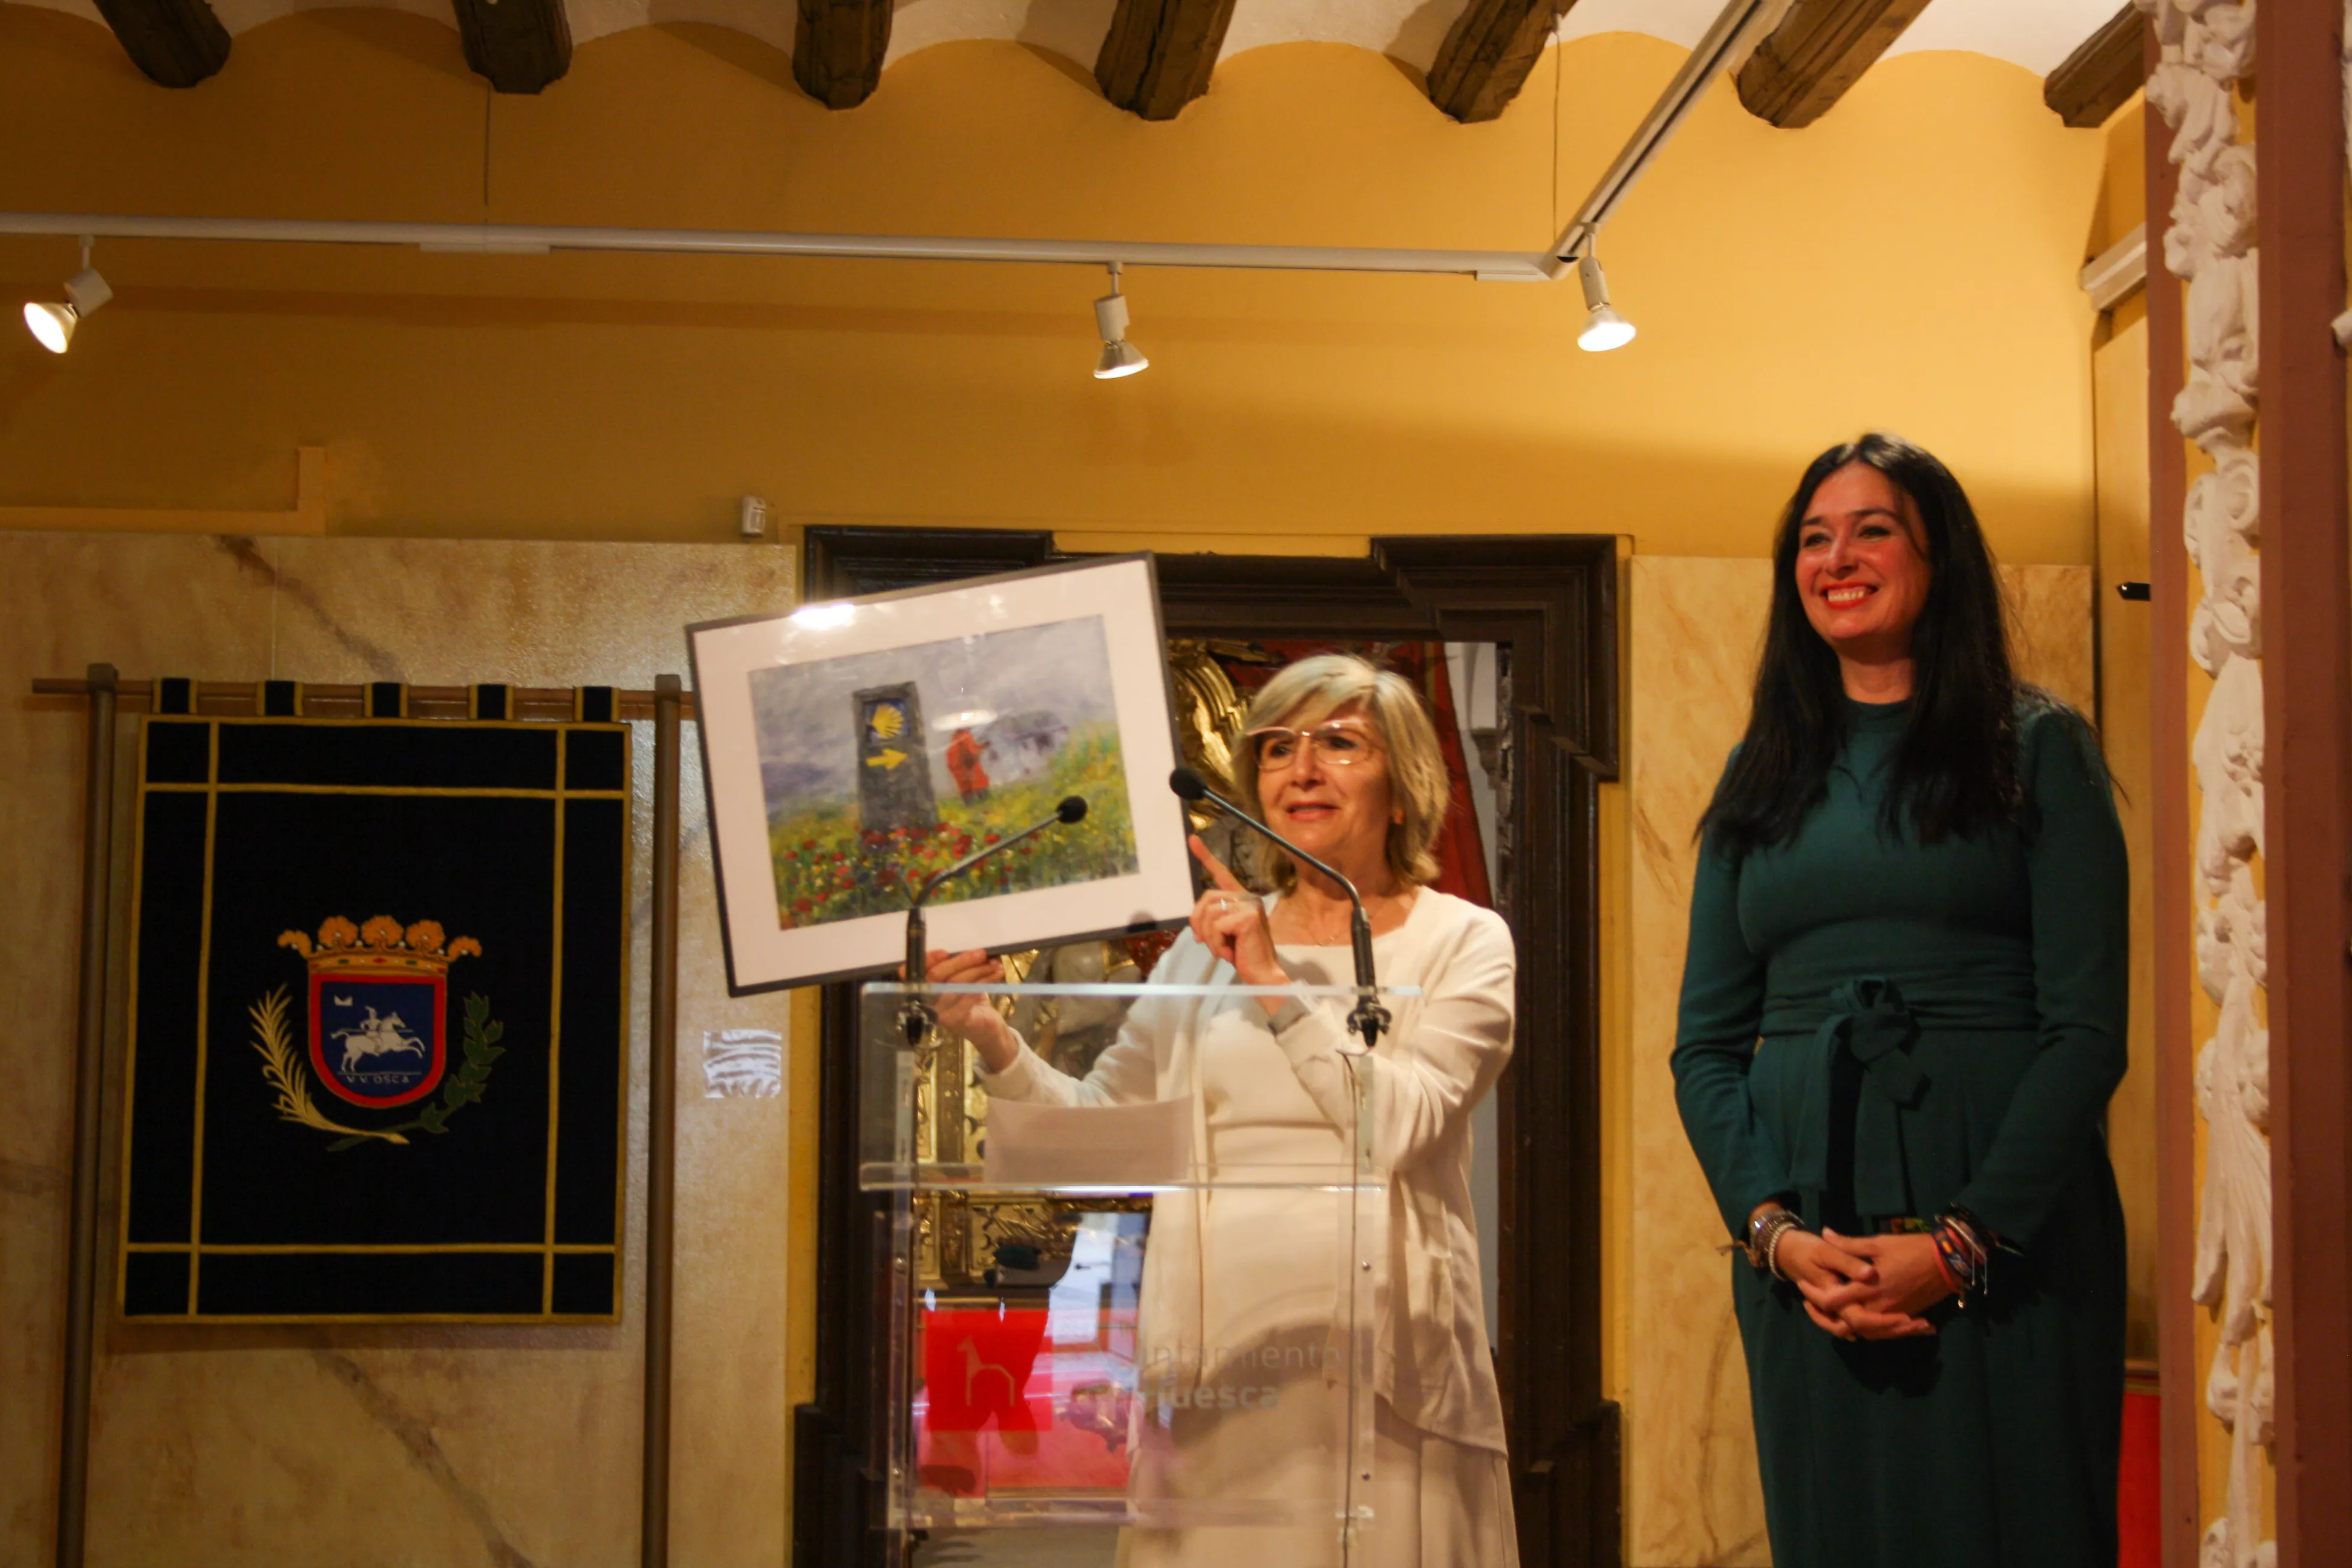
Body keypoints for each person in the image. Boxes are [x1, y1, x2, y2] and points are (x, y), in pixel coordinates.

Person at [928, 652, 1518, 1567]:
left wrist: (1277, 985)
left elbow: (1399, 1125)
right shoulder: (1202, 957)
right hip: (1221, 1384)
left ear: (1403, 788)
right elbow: (1099, 1139)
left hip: (1386, 1381)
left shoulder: (1464, 942)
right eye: (1277, 748)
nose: (1302, 769)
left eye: (1339, 744)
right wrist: (990, 1036)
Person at [1671, 434, 2128, 1568]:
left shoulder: (2039, 748)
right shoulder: (1758, 774)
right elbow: (1704, 1048)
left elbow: (2087, 1032)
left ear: (1940, 560)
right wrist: (1776, 1236)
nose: (1838, 557)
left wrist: (1967, 1243)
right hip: (1807, 1242)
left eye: (1873, 529)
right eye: (1814, 539)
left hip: (2010, 1240)